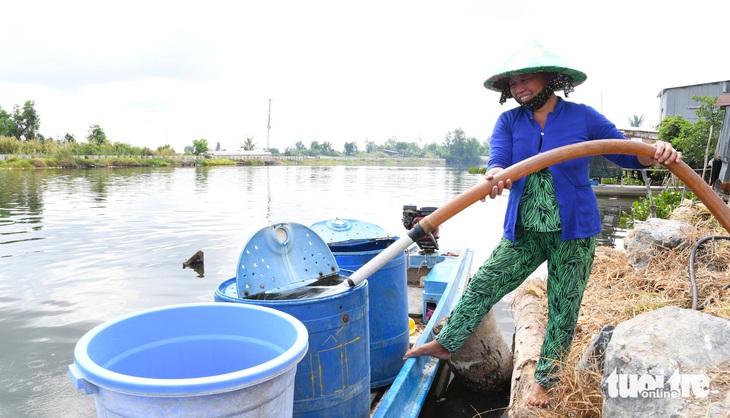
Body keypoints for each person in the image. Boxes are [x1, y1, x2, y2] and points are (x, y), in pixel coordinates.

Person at [403, 40, 682, 408]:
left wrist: (655, 154)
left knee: (564, 303)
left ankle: (546, 381)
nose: (518, 89)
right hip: (525, 230)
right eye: (512, 84)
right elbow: (498, 159)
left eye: (526, 80)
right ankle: (446, 342)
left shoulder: (582, 117)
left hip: (573, 230)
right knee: (485, 282)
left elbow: (622, 151)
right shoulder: (509, 121)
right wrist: (496, 174)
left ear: (549, 79)